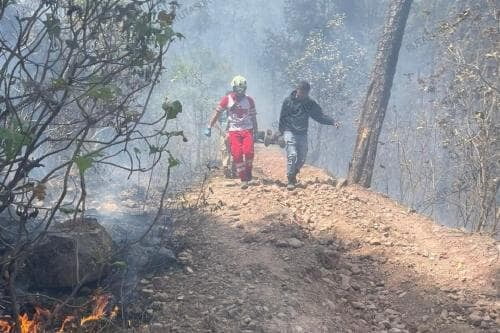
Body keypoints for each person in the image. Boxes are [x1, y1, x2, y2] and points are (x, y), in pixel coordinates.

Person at [278, 81, 338, 190]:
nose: (303, 95)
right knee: (292, 155)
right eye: (302, 92)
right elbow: (283, 117)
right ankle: (290, 179)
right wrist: (280, 133)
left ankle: (294, 173)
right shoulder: (288, 101)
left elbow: (319, 116)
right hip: (289, 131)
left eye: (306, 93)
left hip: (302, 134)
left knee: (302, 158)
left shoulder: (309, 103)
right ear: (297, 90)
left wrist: (332, 122)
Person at [205, 75, 258, 189]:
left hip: (247, 130)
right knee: (237, 155)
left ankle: (248, 172)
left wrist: (256, 131)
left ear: (245, 88)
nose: (240, 92)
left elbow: (253, 117)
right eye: (238, 89)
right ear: (233, 88)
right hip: (234, 131)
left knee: (249, 152)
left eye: (242, 89)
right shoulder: (227, 99)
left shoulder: (250, 100)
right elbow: (217, 112)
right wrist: (209, 125)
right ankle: (243, 178)